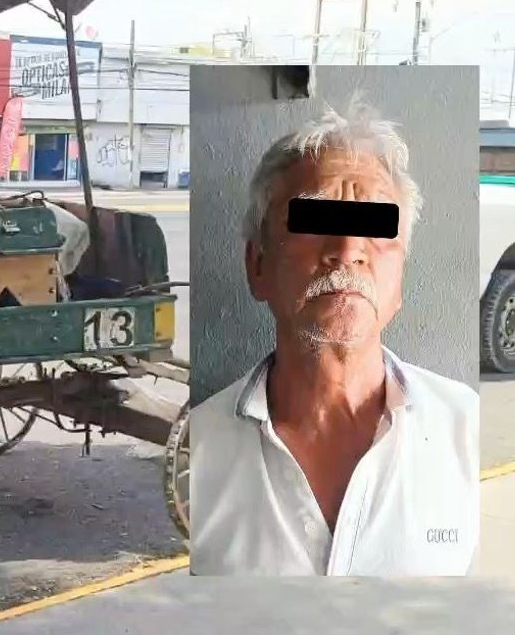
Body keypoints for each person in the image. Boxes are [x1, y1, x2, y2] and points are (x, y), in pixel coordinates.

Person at [189, 102, 480, 577]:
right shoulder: (197, 454)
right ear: (257, 266)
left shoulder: (465, 431)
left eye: (376, 226)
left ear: (400, 278)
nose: (347, 249)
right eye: (315, 221)